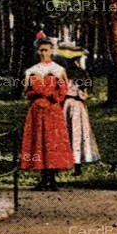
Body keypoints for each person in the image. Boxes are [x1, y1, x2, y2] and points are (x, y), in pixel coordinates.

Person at [20, 33, 73, 190]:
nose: (43, 53)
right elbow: (28, 93)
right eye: (41, 50)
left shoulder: (58, 70)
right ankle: (43, 177)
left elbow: (62, 92)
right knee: (38, 142)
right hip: (37, 111)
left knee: (53, 143)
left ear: (52, 50)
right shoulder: (32, 71)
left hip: (52, 110)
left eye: (46, 50)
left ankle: (52, 177)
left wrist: (46, 92)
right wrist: (39, 93)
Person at [62, 48, 102, 175]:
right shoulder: (70, 73)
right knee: (72, 132)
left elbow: (85, 91)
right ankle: (72, 163)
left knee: (74, 132)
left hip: (71, 104)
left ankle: (75, 163)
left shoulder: (77, 73)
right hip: (70, 104)